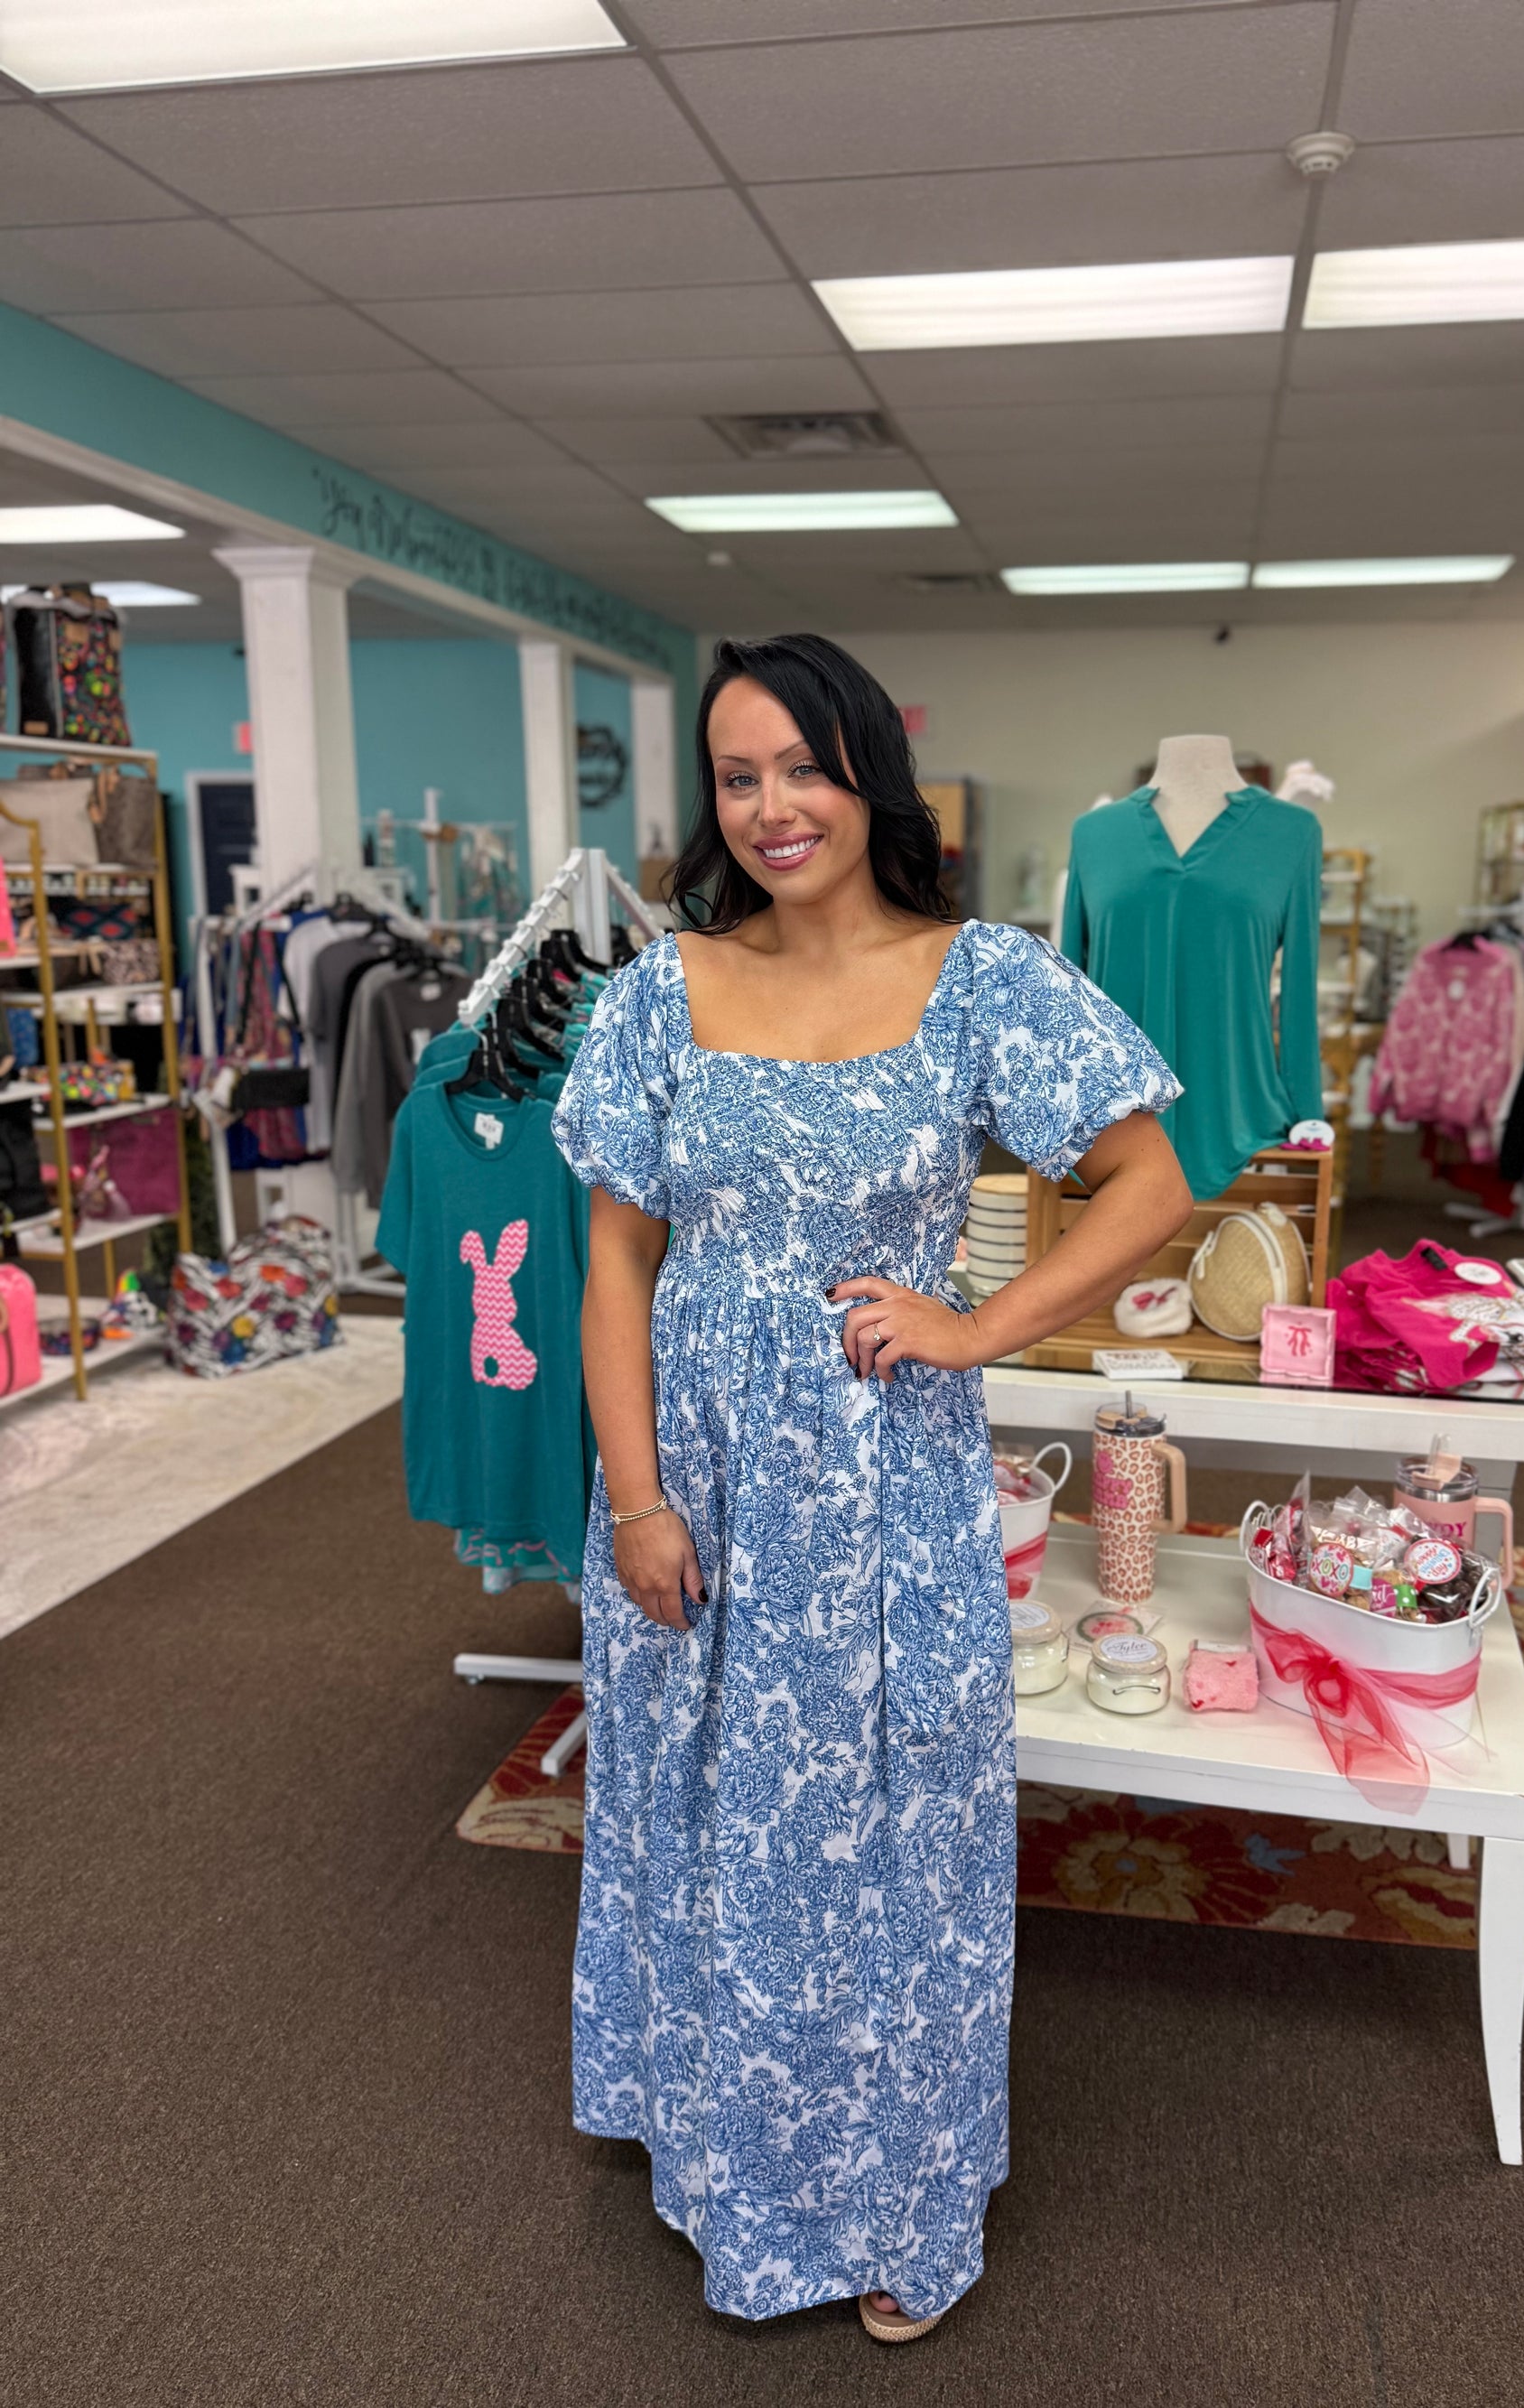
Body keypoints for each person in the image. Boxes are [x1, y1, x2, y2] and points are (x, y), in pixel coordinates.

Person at [551, 633, 1192, 2342]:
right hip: (692, 1472)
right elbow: (613, 1269)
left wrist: (982, 1325)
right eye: (739, 775)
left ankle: (904, 2201)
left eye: (804, 769)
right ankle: (733, 2170)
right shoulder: (654, 990)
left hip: (883, 1482)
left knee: (896, 1836)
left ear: (870, 779)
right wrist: (634, 1499)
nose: (771, 808)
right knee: (709, 1822)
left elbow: (1150, 1185)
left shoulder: (983, 980)